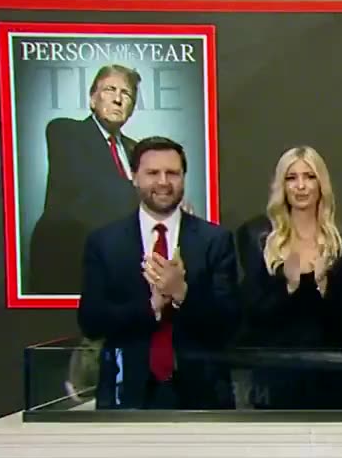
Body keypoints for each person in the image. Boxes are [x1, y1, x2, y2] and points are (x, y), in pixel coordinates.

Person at [77, 136, 239, 409]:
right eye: (153, 173)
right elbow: (91, 321)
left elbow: (229, 321)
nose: (163, 182)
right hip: (126, 393)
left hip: (201, 397)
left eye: (172, 173)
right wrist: (150, 307)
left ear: (184, 177)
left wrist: (182, 293)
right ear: (134, 176)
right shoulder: (105, 242)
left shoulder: (215, 240)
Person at [237, 146, 342, 409]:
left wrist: (323, 286)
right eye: (292, 178)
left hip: (331, 378)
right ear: (282, 185)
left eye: (309, 177)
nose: (301, 186)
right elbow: (251, 314)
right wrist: (289, 287)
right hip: (275, 378)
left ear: (321, 184)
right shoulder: (257, 238)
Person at [30, 64, 142, 296]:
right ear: (93, 99)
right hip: (70, 263)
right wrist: (153, 195)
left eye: (126, 94)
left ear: (131, 109)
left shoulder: (137, 151)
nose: (118, 99)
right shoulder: (65, 131)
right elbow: (91, 190)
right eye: (110, 89)